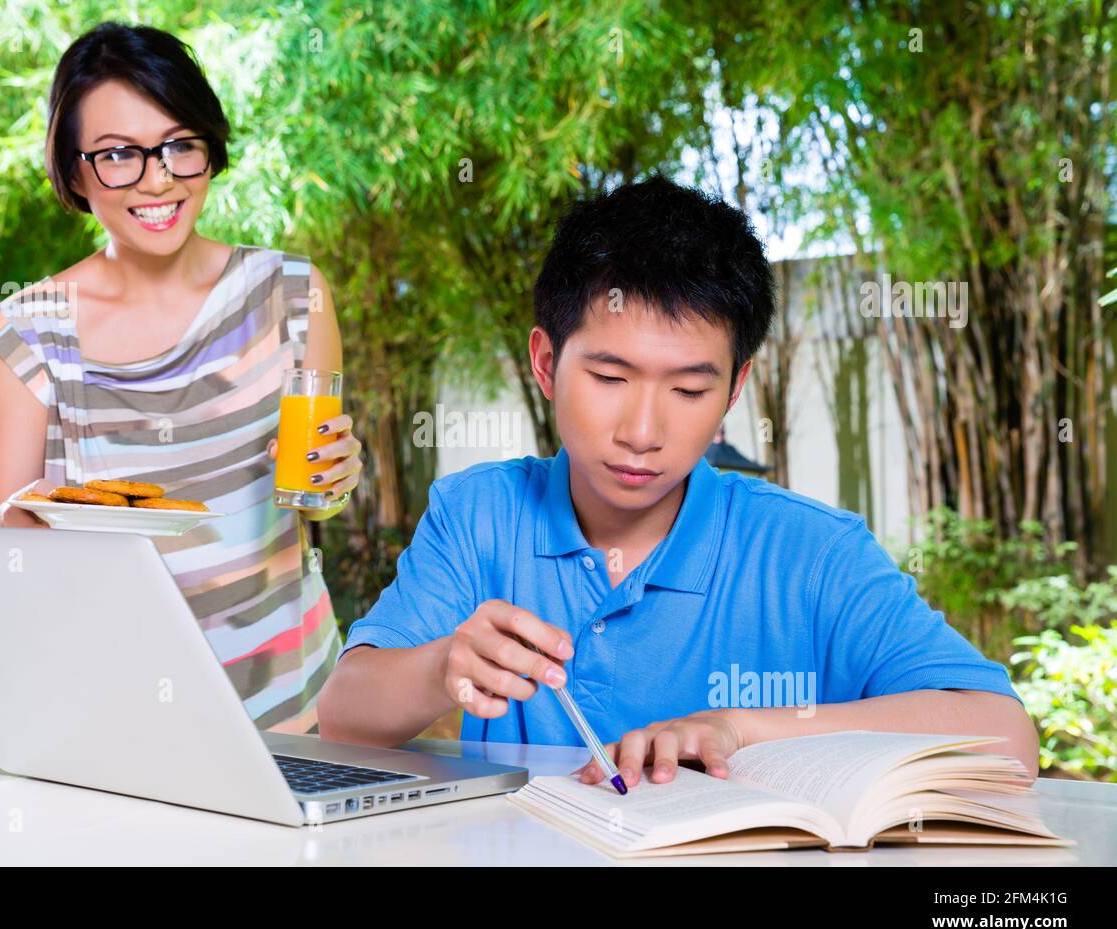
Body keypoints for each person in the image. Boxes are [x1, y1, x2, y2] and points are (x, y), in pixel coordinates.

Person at [317, 174, 1039, 787]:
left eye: (689, 392)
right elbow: (346, 717)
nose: (642, 431)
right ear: (545, 363)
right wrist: (444, 663)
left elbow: (1006, 736)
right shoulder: (480, 516)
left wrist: (736, 729)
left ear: (733, 391)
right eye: (608, 377)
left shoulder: (809, 552)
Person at [0, 22, 362, 733]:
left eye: (180, 144)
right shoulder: (27, 337)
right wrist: (23, 528)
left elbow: (309, 505)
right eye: (119, 153)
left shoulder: (293, 293)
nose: (158, 178)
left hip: (294, 706)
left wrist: (334, 480)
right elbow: (4, 555)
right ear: (75, 168)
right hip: (116, 718)